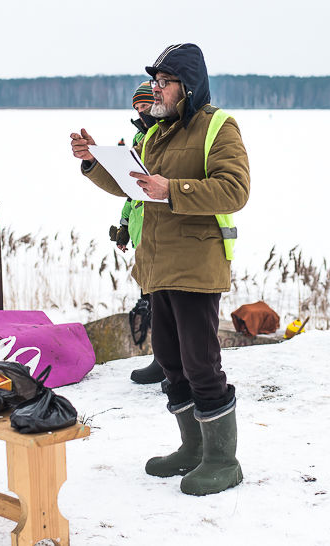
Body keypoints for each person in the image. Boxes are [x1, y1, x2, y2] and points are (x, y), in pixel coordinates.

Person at [71, 43, 250, 496]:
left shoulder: (218, 128)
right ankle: (192, 450)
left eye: (163, 83)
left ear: (186, 87)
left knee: (200, 364)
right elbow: (132, 184)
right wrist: (93, 160)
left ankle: (222, 460)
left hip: (195, 264)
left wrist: (174, 189)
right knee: (171, 364)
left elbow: (235, 190)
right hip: (156, 265)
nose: (156, 90)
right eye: (154, 82)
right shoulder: (153, 134)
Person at [112, 81, 165, 385]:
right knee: (149, 298)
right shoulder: (137, 138)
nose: (140, 111)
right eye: (136, 108)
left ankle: (172, 364)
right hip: (140, 231)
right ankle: (161, 360)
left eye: (144, 106)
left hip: (162, 230)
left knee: (165, 302)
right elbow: (131, 191)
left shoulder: (164, 137)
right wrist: (122, 226)